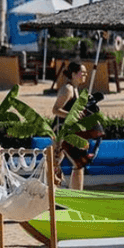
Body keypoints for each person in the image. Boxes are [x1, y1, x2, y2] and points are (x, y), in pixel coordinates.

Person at [52, 61, 90, 190]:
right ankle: (75, 196)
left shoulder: (75, 89)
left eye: (86, 72)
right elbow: (56, 110)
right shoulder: (68, 89)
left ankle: (70, 195)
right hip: (61, 131)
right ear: (73, 74)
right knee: (76, 164)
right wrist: (71, 115)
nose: (85, 74)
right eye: (82, 72)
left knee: (56, 164)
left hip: (69, 131)